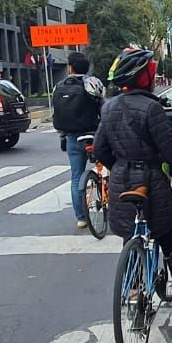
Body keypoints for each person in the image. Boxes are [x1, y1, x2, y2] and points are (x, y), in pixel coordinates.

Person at [93, 47, 172, 330]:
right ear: (145, 77)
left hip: (121, 180)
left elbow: (101, 149)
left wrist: (122, 164)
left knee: (131, 236)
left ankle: (134, 293)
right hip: (151, 182)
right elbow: (170, 150)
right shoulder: (151, 107)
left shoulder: (108, 107)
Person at [52, 51, 106, 229]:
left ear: (70, 68)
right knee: (108, 170)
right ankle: (108, 202)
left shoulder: (59, 86)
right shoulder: (93, 83)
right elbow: (103, 108)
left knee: (76, 178)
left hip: (71, 137)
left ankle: (81, 218)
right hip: (94, 135)